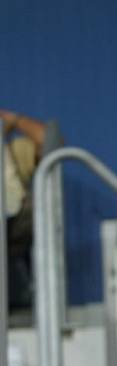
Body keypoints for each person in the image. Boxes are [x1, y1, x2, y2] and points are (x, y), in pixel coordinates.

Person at [0, 109, 63, 308]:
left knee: (37, 208)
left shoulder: (11, 152)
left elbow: (52, 144)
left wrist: (13, 120)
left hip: (11, 228)